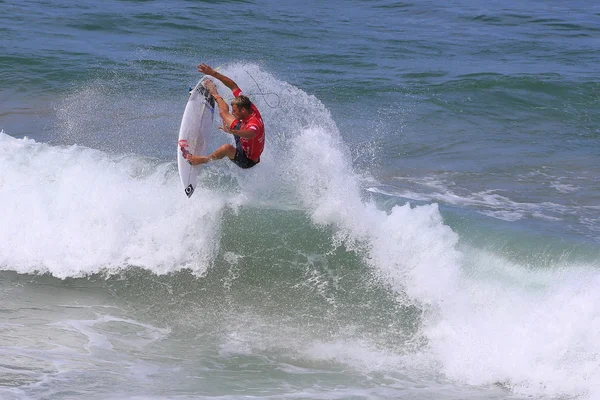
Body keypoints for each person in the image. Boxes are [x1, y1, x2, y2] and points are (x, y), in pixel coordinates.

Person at [184, 63, 265, 169]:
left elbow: (251, 133)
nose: (233, 113)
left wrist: (233, 132)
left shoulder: (254, 124)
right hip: (242, 134)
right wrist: (212, 73)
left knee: (226, 148)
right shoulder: (247, 104)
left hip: (247, 159)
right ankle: (213, 94)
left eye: (235, 111)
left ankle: (202, 160)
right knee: (224, 114)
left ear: (243, 110)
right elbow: (233, 85)